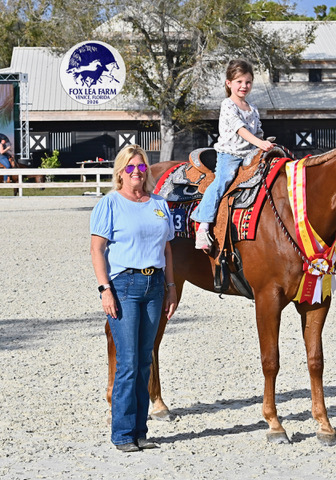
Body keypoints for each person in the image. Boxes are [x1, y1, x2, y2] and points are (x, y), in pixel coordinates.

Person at [90, 145, 178, 452]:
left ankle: (140, 431)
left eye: (141, 167)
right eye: (130, 167)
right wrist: (105, 289)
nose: (137, 172)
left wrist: (171, 286)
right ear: (120, 172)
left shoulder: (159, 204)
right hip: (124, 286)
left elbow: (167, 248)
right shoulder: (110, 203)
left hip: (155, 285)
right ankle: (123, 434)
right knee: (127, 362)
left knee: (144, 361)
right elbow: (97, 249)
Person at [190, 58, 274, 250]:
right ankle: (203, 225)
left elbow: (257, 132)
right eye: (239, 81)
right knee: (223, 180)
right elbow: (240, 129)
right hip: (231, 154)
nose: (244, 86)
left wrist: (265, 142)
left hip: (250, 154)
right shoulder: (228, 105)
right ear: (229, 83)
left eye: (248, 82)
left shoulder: (253, 108)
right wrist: (259, 143)